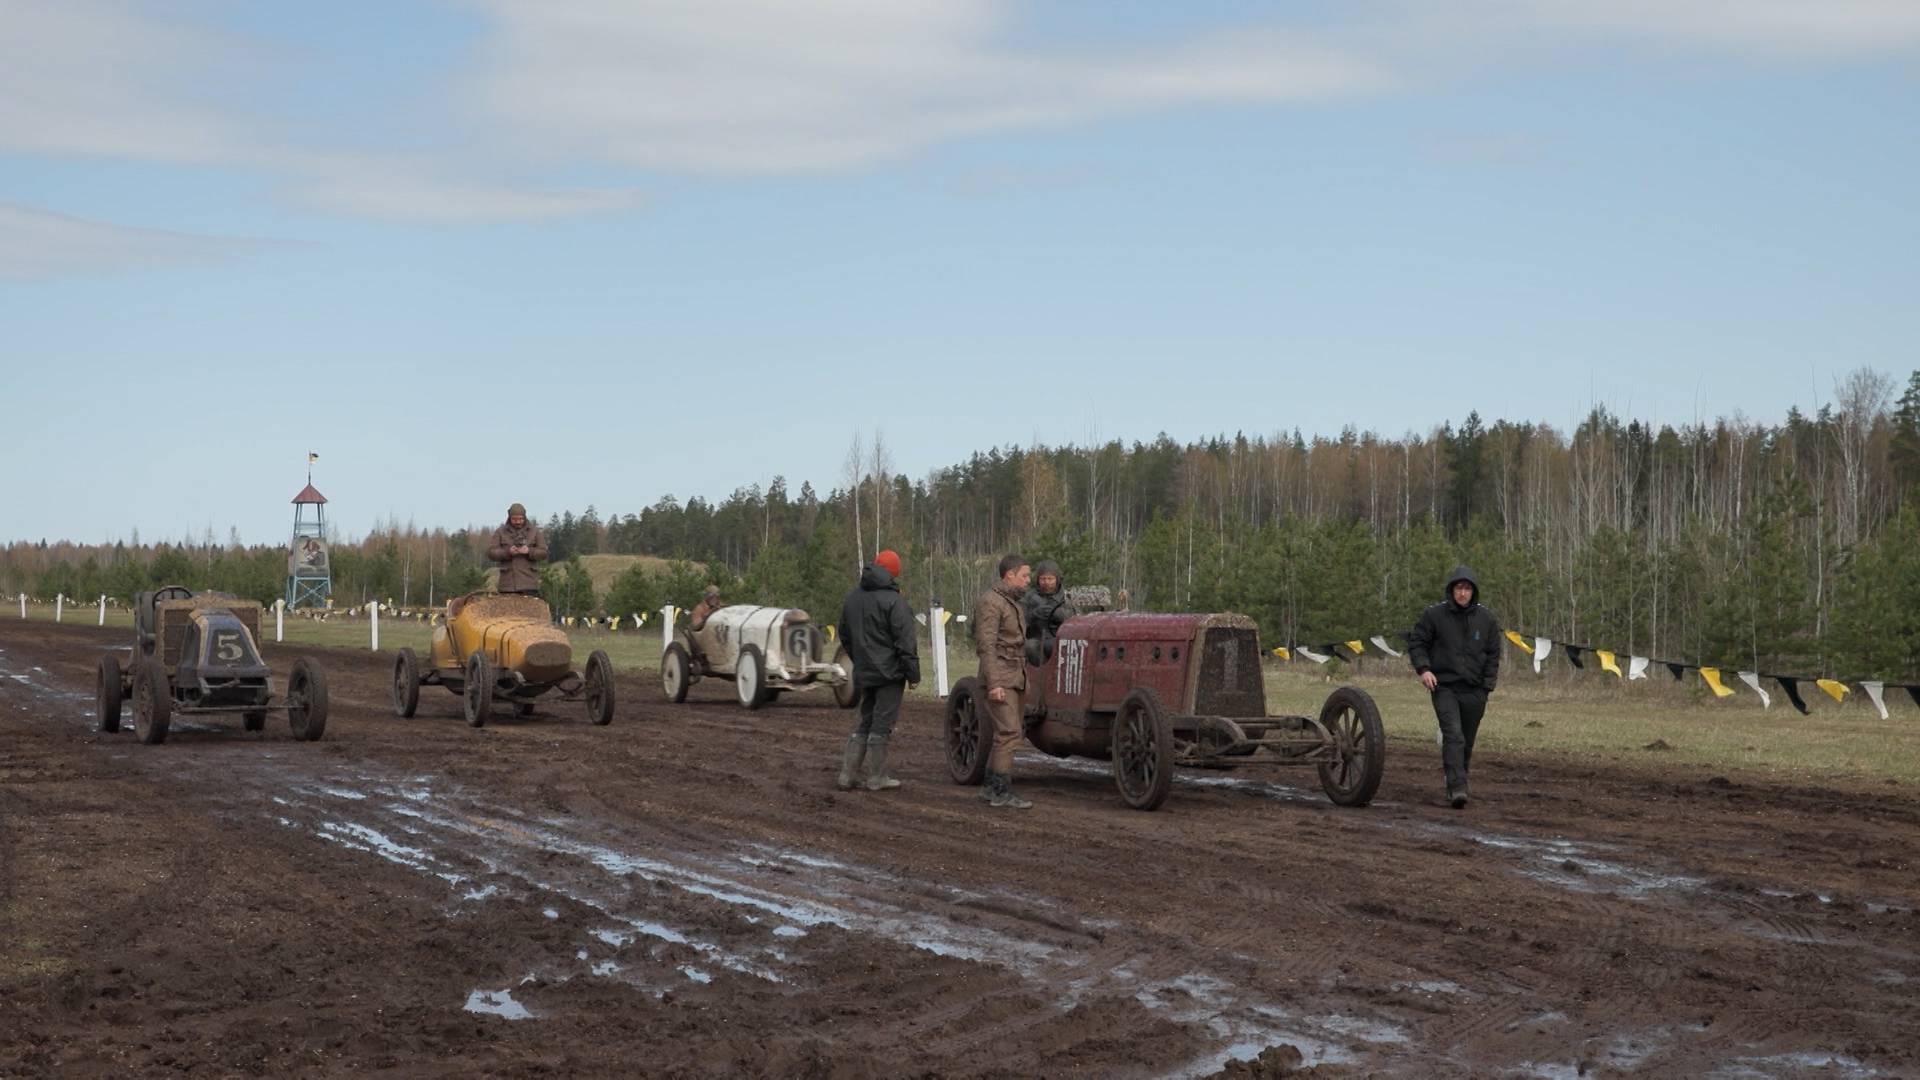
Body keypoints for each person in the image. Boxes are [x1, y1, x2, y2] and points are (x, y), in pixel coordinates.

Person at [1405, 565, 1501, 809]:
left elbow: (1493, 653)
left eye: (1467, 588)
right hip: (1444, 686)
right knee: (1453, 736)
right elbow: (1417, 643)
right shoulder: (1434, 616)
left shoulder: (1486, 619)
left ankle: (1458, 778)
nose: (1463, 593)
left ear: (1473, 592)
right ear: (1452, 590)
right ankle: (1457, 788)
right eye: (1459, 588)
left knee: (1466, 741)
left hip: (1475, 690)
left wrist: (1487, 685)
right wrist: (1424, 669)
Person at [835, 549, 921, 792]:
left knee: (864, 721)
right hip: (890, 674)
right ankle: (876, 777)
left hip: (864, 671)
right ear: (894, 573)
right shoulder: (894, 601)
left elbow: (844, 634)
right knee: (882, 725)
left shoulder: (852, 597)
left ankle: (846, 775)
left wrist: (859, 659)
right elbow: (906, 642)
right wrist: (913, 674)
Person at [973, 554, 1033, 810]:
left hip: (1015, 676)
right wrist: (994, 683)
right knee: (1008, 733)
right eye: (1024, 576)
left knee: (1008, 733)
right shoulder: (991, 602)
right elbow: (986, 646)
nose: (1028, 581)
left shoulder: (1013, 604)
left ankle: (990, 787)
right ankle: (1000, 791)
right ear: (1009, 575)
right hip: (1000, 677)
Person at [1022, 558, 1075, 665]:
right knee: (1030, 646)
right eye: (1043, 579)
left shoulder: (1067, 597)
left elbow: (1078, 621)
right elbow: (1017, 623)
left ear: (1057, 579)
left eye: (1050, 579)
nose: (1046, 582)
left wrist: (1059, 614)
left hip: (1061, 639)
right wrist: (1033, 615)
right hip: (1037, 641)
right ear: (1038, 580)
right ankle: (1043, 674)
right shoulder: (1028, 597)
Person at [487, 503, 547, 596]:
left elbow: (543, 552)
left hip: (529, 583)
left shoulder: (534, 531)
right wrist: (508, 552)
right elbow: (491, 553)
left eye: (520, 519)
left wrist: (529, 551)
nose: (518, 521)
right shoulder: (500, 532)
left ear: (524, 517)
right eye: (515, 519)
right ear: (510, 518)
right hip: (507, 585)